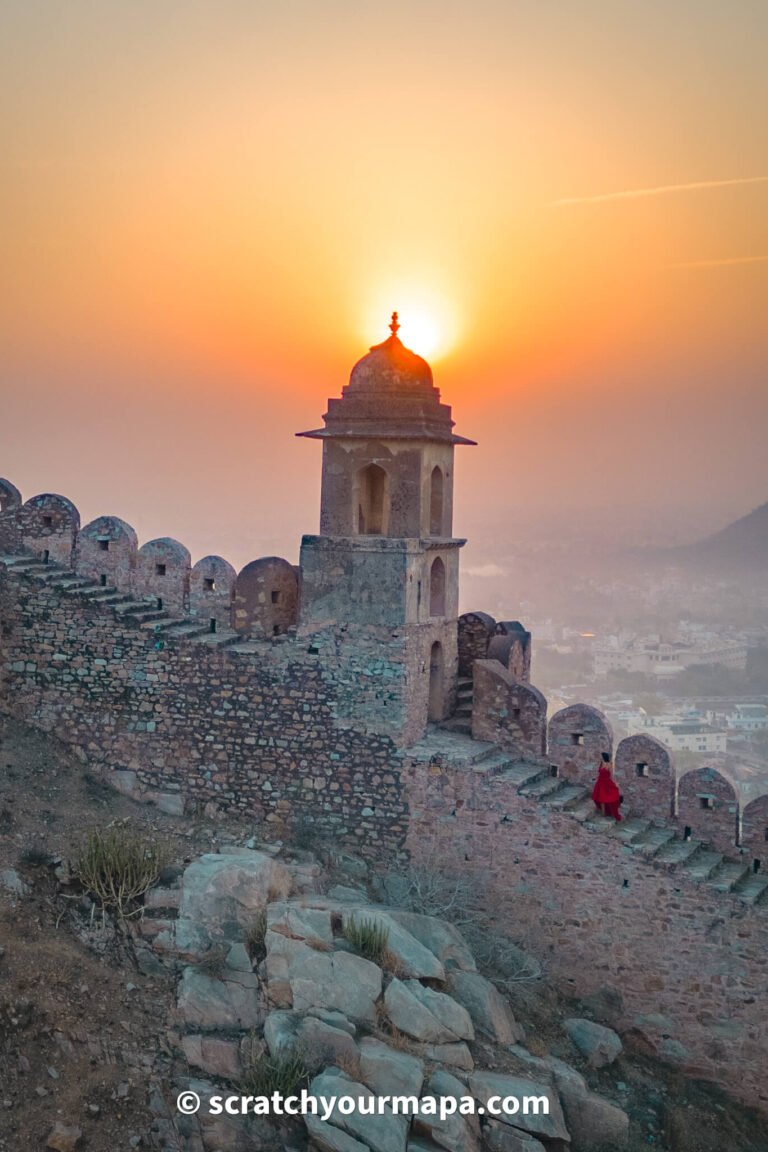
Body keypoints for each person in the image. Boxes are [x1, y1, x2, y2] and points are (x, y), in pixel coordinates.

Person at [592, 752, 622, 821]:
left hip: (606, 783)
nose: (600, 757)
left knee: (603, 798)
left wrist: (614, 783)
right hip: (600, 782)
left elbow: (611, 775)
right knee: (599, 798)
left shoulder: (609, 764)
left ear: (604, 757)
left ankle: (605, 813)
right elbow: (600, 773)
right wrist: (596, 778)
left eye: (601, 756)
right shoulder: (601, 763)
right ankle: (603, 812)